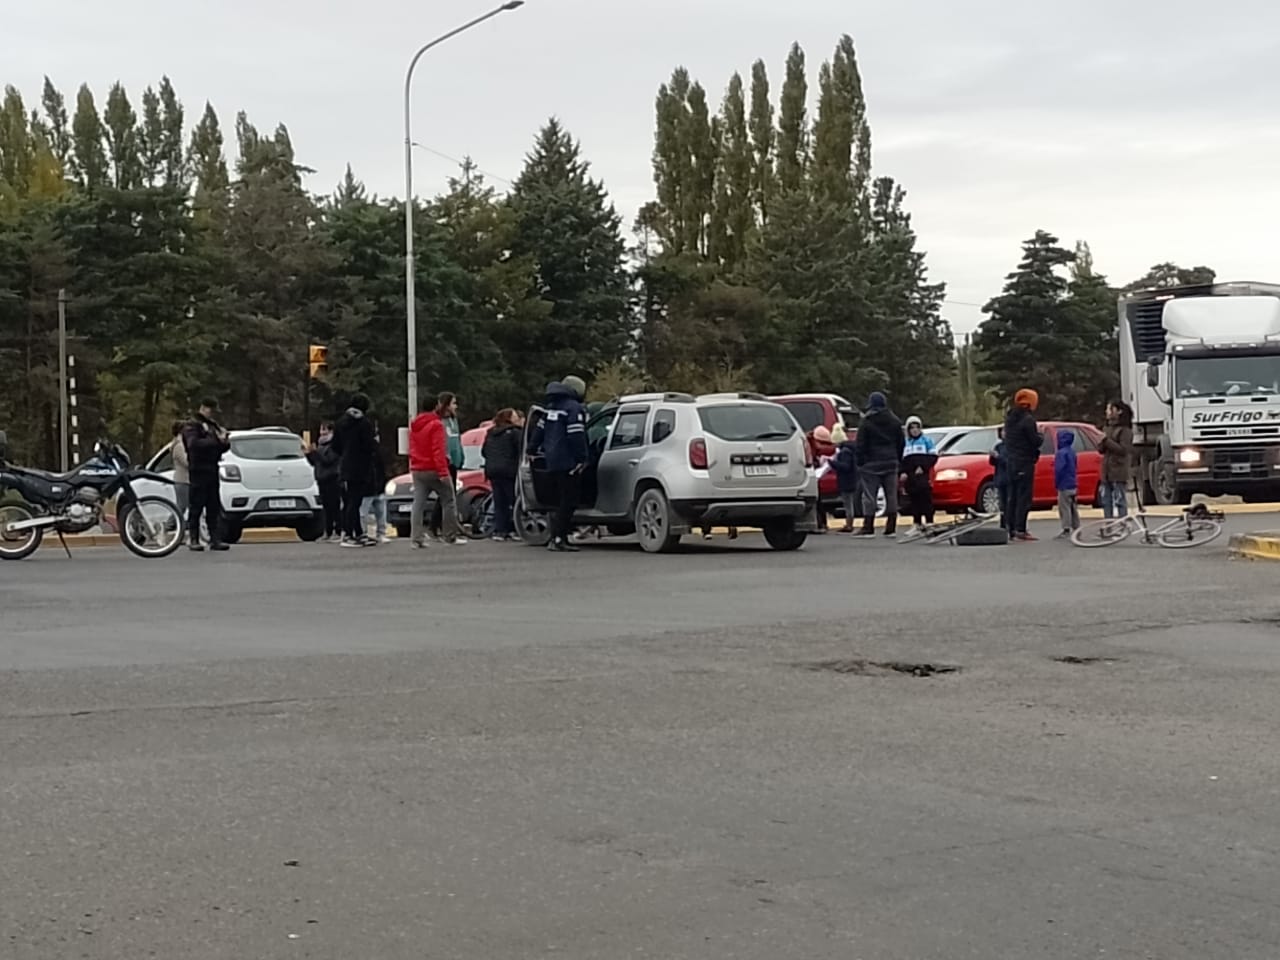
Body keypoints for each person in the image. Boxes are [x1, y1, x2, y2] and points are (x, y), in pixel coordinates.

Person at [530, 378, 587, 552]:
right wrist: (582, 458)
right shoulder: (573, 408)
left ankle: (556, 536)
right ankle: (559, 538)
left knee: (558, 500)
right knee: (569, 501)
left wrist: (531, 449)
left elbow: (539, 431)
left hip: (552, 460)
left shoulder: (551, 408)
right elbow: (576, 435)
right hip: (568, 460)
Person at [409, 393, 465, 547]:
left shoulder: (414, 424)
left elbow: (412, 447)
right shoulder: (436, 424)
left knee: (418, 503)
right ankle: (449, 536)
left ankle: (416, 539)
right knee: (448, 500)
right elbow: (438, 450)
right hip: (433, 468)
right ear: (436, 406)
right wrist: (442, 472)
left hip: (418, 468)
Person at [181, 397, 230, 552]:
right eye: (210, 409)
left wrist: (224, 442)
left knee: (213, 505)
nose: (212, 413)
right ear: (203, 408)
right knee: (196, 505)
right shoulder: (192, 425)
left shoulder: (212, 425)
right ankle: (194, 538)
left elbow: (220, 447)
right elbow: (193, 444)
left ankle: (214, 538)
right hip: (198, 469)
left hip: (212, 468)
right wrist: (215, 441)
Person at [854, 391, 904, 538]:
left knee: (869, 495)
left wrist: (861, 462)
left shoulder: (867, 421)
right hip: (891, 461)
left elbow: (861, 443)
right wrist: (897, 459)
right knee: (891, 495)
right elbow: (901, 442)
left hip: (871, 463)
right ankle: (891, 527)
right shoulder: (895, 421)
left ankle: (868, 527)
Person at [333, 393, 379, 547]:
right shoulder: (364, 423)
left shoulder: (341, 422)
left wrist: (345, 454)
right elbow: (368, 446)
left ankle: (357, 533)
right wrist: (374, 444)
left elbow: (335, 446)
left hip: (345, 465)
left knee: (349, 500)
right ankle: (348, 534)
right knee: (355, 502)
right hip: (361, 466)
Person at [1004, 389, 1042, 542]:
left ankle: (1010, 528)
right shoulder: (1027, 420)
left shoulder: (1010, 419)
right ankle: (1021, 529)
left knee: (1012, 496)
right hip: (1025, 461)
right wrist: (1041, 436)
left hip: (1011, 461)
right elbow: (1035, 441)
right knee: (1024, 497)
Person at [482, 408, 523, 541]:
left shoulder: (490, 433)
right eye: (515, 416)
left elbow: (484, 451)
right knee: (514, 501)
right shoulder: (515, 433)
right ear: (509, 418)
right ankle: (515, 529)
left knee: (499, 502)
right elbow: (521, 451)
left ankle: (500, 531)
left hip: (492, 470)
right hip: (508, 471)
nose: (517, 418)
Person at [429, 393, 464, 539]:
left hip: (453, 462)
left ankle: (441, 526)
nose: (456, 406)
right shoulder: (439, 421)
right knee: (446, 496)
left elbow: (457, 440)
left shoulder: (453, 421)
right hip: (444, 462)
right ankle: (436, 526)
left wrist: (460, 456)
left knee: (450, 496)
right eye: (453, 403)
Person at [900, 416, 938, 531]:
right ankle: (917, 523)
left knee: (925, 498)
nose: (915, 430)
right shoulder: (905, 443)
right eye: (912, 428)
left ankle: (929, 522)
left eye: (917, 427)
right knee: (914, 499)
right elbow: (902, 460)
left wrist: (923, 467)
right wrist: (903, 472)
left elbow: (933, 457)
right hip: (910, 476)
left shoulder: (927, 441)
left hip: (923, 475)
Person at [1098, 401, 1134, 519]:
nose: (1107, 412)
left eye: (1110, 409)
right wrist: (1102, 442)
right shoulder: (1107, 428)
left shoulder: (1125, 430)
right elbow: (1101, 450)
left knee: (1120, 500)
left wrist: (1106, 441)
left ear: (1119, 411)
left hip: (1118, 470)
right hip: (1106, 470)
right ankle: (1108, 524)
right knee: (1106, 500)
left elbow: (1124, 450)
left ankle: (1122, 524)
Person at [307, 421, 342, 541]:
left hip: (332, 479)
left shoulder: (335, 445)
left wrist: (316, 452)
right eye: (321, 430)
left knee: (334, 507)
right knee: (326, 508)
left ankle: (338, 531)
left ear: (331, 431)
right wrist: (309, 454)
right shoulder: (321, 445)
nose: (322, 433)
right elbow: (315, 463)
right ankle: (327, 532)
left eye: (325, 430)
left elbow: (328, 460)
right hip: (321, 479)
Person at [360, 424, 390, 544]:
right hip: (368, 486)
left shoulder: (377, 449)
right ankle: (365, 533)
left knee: (380, 511)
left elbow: (381, 467)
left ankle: (379, 533)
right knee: (364, 512)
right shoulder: (365, 450)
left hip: (377, 484)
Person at [830, 422, 860, 532]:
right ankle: (849, 523)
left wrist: (832, 463)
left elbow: (845, 466)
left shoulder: (844, 452)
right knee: (849, 503)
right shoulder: (850, 450)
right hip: (850, 480)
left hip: (846, 481)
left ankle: (849, 524)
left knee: (848, 504)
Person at [1054, 429, 1080, 539]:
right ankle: (1077, 527)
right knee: (1073, 507)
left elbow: (1059, 469)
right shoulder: (1072, 452)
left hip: (1064, 484)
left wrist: (1057, 482)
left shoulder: (1061, 453)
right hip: (1073, 483)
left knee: (1064, 507)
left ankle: (1066, 528)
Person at [810, 425, 836, 533]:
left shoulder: (813, 446)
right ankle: (818, 524)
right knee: (814, 502)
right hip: (810, 477)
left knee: (818, 502)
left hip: (814, 477)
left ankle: (821, 524)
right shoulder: (809, 447)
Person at [170, 420, 190, 536]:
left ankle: (180, 528)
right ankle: (167, 526)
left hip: (187, 480)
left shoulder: (182, 443)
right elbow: (186, 462)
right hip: (182, 480)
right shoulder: (178, 446)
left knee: (185, 506)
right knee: (181, 507)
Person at [989, 427, 1010, 530]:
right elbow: (993, 463)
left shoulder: (1012, 447)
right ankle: (1003, 523)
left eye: (1005, 431)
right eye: (1002, 431)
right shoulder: (999, 446)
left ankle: (1010, 523)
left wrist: (999, 457)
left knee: (1009, 502)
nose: (1003, 433)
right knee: (1002, 503)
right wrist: (993, 456)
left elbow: (1009, 462)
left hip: (1010, 478)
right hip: (1000, 478)